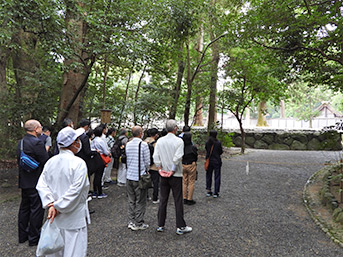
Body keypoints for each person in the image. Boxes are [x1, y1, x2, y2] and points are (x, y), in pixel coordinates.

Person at [36, 126, 90, 257]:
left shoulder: (51, 162)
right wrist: (57, 206)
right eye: (77, 140)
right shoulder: (79, 163)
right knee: (74, 251)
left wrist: (51, 204)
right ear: (73, 144)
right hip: (73, 217)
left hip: (54, 216)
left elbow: (42, 185)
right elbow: (75, 191)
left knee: (54, 251)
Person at [153, 119, 192, 235]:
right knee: (178, 200)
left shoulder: (160, 141)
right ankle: (180, 226)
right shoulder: (179, 141)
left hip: (163, 173)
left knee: (163, 199)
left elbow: (156, 156)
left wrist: (160, 168)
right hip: (176, 174)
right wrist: (172, 169)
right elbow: (178, 157)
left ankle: (160, 224)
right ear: (175, 128)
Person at [17, 119, 49, 246]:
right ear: (36, 129)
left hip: (24, 180)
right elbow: (45, 161)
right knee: (36, 209)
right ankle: (34, 237)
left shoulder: (21, 142)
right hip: (36, 180)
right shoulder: (37, 143)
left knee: (24, 208)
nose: (41, 130)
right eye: (40, 127)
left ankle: (22, 235)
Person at [126, 126, 150, 230]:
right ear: (140, 133)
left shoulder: (128, 144)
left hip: (129, 175)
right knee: (141, 200)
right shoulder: (143, 145)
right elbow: (147, 162)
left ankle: (131, 221)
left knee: (131, 200)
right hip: (139, 176)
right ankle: (138, 223)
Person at [90, 126, 109, 198]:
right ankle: (100, 192)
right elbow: (105, 151)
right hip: (101, 158)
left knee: (95, 176)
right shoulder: (101, 141)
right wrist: (108, 153)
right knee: (99, 176)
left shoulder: (93, 140)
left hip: (94, 158)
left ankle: (94, 191)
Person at [205, 130, 223, 198]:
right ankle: (216, 192)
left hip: (209, 161)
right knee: (217, 176)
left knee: (208, 175)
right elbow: (220, 152)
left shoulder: (207, 142)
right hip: (216, 161)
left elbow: (206, 150)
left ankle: (209, 190)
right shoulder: (218, 143)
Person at [144, 128, 160, 204]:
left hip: (145, 165)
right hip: (154, 165)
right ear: (156, 135)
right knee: (155, 182)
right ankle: (155, 198)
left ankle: (146, 196)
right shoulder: (156, 144)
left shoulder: (143, 142)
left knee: (145, 181)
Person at [182, 132, 198, 205]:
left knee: (184, 181)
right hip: (191, 164)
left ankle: (184, 197)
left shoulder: (182, 147)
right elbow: (196, 156)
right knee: (191, 182)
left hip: (183, 164)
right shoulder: (193, 147)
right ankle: (189, 199)